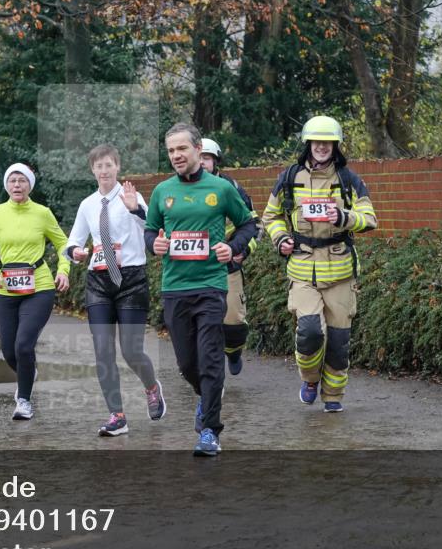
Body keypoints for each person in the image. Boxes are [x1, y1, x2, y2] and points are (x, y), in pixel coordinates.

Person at [144, 123, 258, 456]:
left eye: (182, 149)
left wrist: (232, 246)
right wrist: (156, 244)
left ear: (197, 150)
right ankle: (206, 396)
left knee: (210, 360)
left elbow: (249, 223)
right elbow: (151, 230)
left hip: (210, 285)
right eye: (171, 151)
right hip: (175, 287)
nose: (176, 155)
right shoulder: (162, 191)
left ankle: (210, 430)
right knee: (185, 364)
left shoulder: (220, 189)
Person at [261, 116, 377, 413]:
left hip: (340, 273)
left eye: (327, 142)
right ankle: (310, 380)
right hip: (301, 270)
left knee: (338, 343)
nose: (322, 147)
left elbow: (370, 219)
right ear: (308, 144)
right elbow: (270, 216)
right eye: (317, 141)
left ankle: (333, 396)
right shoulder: (289, 178)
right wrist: (281, 239)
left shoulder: (349, 180)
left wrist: (344, 217)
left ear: (335, 146)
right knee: (310, 332)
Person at [66, 144, 163, 437]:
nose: (104, 171)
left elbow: (153, 227)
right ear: (92, 170)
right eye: (99, 166)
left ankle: (152, 387)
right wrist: (75, 252)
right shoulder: (87, 205)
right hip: (99, 281)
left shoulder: (131, 198)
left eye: (109, 165)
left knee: (131, 351)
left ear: (117, 167)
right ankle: (117, 415)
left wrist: (138, 209)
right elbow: (73, 241)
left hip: (131, 280)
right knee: (103, 352)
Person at [0, 163, 70, 420]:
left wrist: (64, 270)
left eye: (22, 180)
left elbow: (63, 244)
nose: (17, 185)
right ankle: (28, 372)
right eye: (13, 180)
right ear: (7, 185)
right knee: (9, 351)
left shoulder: (42, 213)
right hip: (5, 288)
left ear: (30, 185)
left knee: (24, 346)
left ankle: (24, 401)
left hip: (39, 287)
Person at [199, 138, 261, 376]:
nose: (202, 162)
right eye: (200, 157)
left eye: (207, 158)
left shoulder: (231, 188)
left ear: (215, 161)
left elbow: (255, 226)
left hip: (227, 267)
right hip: (194, 270)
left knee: (233, 323)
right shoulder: (180, 188)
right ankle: (205, 373)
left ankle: (233, 350)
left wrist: (241, 252)